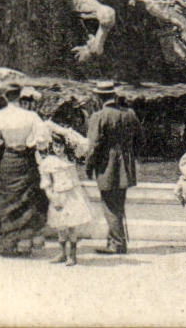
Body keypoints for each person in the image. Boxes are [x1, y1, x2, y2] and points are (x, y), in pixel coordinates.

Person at [0, 84, 51, 255]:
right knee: (26, 200)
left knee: (5, 199)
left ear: (5, 96)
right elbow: (43, 141)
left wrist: (5, 142)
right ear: (20, 96)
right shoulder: (31, 116)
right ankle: (23, 243)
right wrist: (29, 143)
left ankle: (4, 243)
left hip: (8, 159)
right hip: (26, 160)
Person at [82, 81, 141, 255]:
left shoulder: (98, 116)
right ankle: (114, 240)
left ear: (98, 97)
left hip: (106, 164)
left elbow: (93, 146)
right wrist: (129, 155)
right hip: (125, 164)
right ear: (114, 96)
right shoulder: (130, 114)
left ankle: (117, 243)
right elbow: (140, 140)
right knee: (118, 203)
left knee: (109, 204)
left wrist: (88, 166)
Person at [39, 128, 94, 266]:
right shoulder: (48, 161)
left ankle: (73, 255)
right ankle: (62, 253)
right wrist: (52, 197)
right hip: (59, 195)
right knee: (61, 226)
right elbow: (46, 182)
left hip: (73, 195)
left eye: (61, 146)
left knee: (72, 226)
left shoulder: (71, 157)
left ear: (65, 145)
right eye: (55, 146)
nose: (58, 149)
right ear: (52, 146)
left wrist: (67, 132)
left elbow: (85, 144)